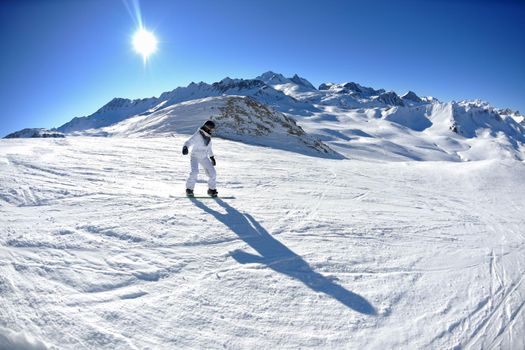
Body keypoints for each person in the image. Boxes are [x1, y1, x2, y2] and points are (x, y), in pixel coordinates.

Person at [182, 120, 218, 197]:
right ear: (208, 128)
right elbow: (189, 142)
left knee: (213, 173)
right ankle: (189, 189)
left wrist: (212, 157)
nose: (212, 130)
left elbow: (209, 148)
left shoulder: (208, 137)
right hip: (195, 156)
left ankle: (211, 190)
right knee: (194, 172)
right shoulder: (198, 135)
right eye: (212, 129)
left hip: (204, 157)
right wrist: (185, 147)